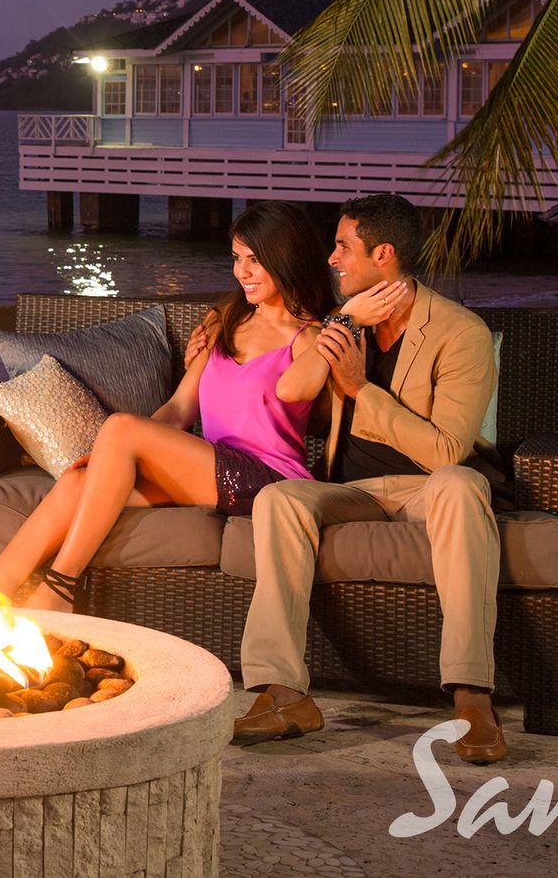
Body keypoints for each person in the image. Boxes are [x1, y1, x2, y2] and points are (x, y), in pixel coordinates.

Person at [0, 200, 398, 614]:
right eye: (237, 259)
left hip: (268, 482)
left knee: (122, 428)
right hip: (208, 471)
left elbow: (298, 389)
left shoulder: (312, 334)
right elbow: (178, 411)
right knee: (77, 483)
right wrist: (113, 453)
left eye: (255, 260)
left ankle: (60, 588)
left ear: (285, 258)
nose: (242, 272)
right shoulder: (226, 321)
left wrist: (345, 319)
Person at [221, 193, 508, 764]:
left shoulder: (460, 332)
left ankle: (473, 698)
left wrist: (360, 393)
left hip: (428, 487)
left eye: (344, 247)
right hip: (352, 491)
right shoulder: (345, 320)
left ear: (384, 254)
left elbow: (448, 450)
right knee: (281, 499)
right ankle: (282, 691)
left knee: (460, 483)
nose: (332, 259)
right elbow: (290, 389)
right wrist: (345, 320)